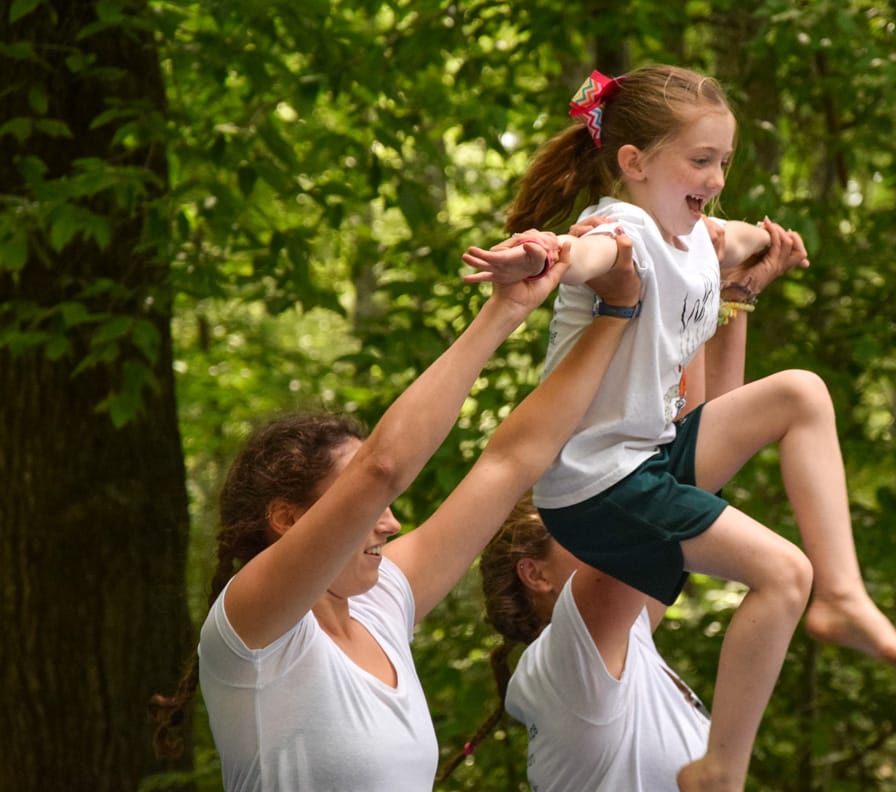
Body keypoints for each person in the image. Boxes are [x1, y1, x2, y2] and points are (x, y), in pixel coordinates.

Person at [463, 64, 896, 792]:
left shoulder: (691, 237)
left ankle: (843, 592)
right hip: (595, 482)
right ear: (634, 163)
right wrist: (544, 258)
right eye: (700, 161)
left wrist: (747, 267)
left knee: (801, 394)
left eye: (724, 161)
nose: (715, 178)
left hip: (643, 460)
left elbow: (707, 388)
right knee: (781, 573)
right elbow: (588, 254)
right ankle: (720, 770)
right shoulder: (622, 227)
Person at [148, 230, 640, 791]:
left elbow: (511, 461)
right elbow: (383, 466)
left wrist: (618, 310)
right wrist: (498, 316)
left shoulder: (379, 603)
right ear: (287, 519)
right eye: (368, 509)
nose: (390, 521)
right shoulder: (254, 625)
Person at [446, 221, 803, 792]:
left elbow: (687, 457)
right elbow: (668, 475)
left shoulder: (620, 648)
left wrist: (727, 297)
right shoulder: (566, 661)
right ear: (533, 573)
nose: (610, 493)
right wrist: (692, 279)